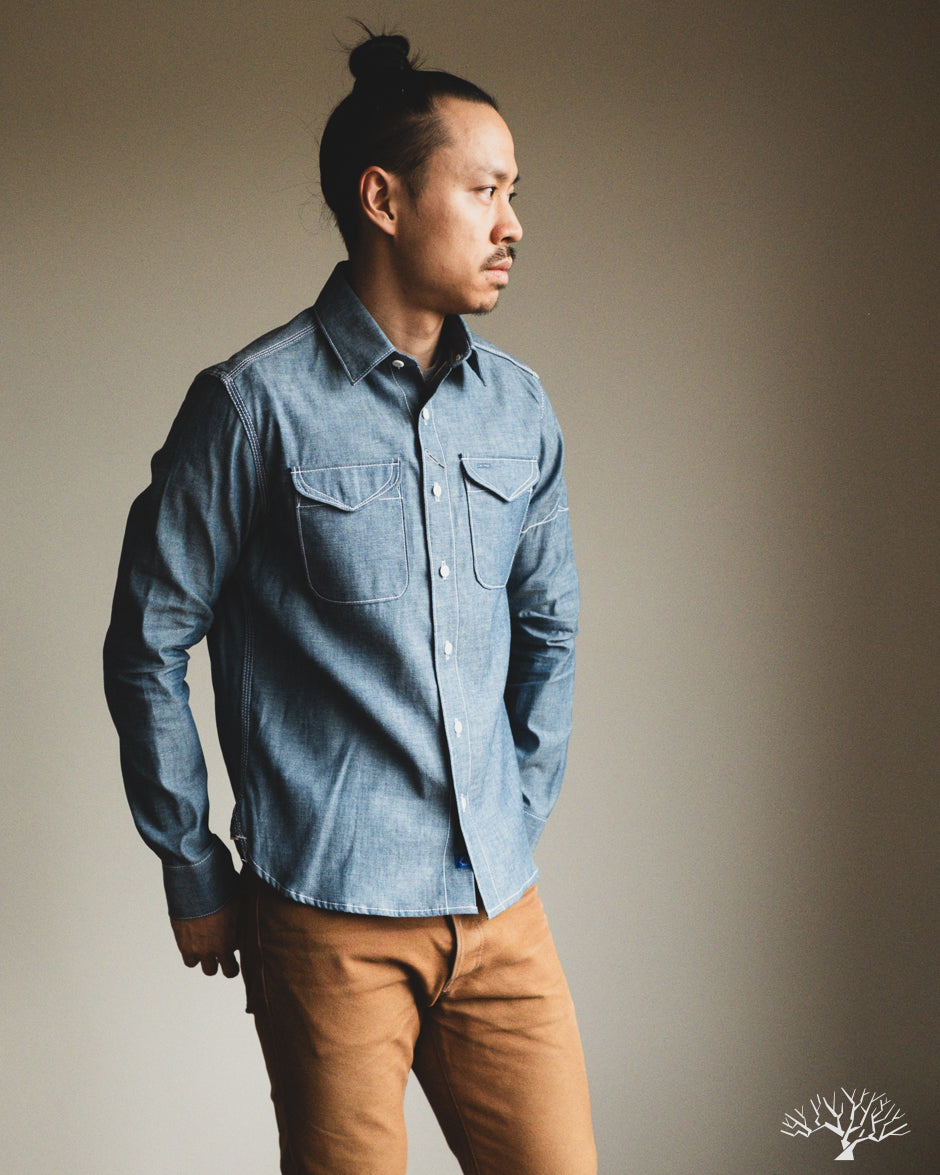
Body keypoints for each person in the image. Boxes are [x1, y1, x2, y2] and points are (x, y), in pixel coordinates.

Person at [104, 28, 595, 1175]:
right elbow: (148, 638)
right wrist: (192, 864)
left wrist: (514, 808)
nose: (513, 224)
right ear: (383, 198)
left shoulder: (518, 409)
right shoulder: (250, 406)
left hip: (501, 910)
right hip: (328, 917)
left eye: (514, 192)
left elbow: (550, 624)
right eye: (484, 190)